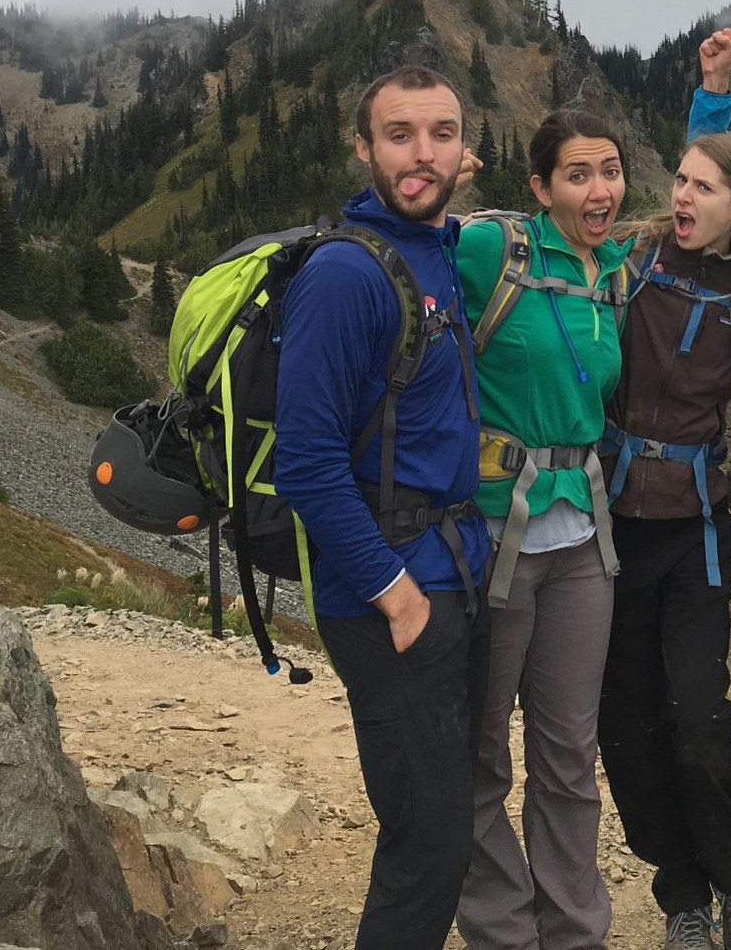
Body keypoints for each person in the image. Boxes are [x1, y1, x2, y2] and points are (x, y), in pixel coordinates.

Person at [273, 64, 490, 950]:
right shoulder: (343, 276)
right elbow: (306, 464)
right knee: (428, 844)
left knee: (438, 829)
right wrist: (399, 601)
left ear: (465, 151)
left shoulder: (438, 248)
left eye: (442, 134)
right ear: (363, 147)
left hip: (447, 574)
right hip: (392, 593)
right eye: (400, 135)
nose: (421, 154)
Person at [598, 28, 731, 950]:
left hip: (693, 528)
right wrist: (711, 92)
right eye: (678, 181)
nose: (682, 196)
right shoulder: (635, 257)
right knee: (624, 721)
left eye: (703, 188)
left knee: (698, 716)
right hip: (606, 518)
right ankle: (681, 893)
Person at [454, 109, 633, 950]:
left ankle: (573, 931)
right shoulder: (494, 250)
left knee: (568, 751)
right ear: (540, 186)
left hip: (582, 540)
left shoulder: (615, 270)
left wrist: (712, 99)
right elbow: (396, 265)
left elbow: (708, 208)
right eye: (577, 174)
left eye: (611, 171)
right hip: (494, 531)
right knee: (480, 748)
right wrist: (433, 188)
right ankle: (502, 930)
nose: (599, 190)